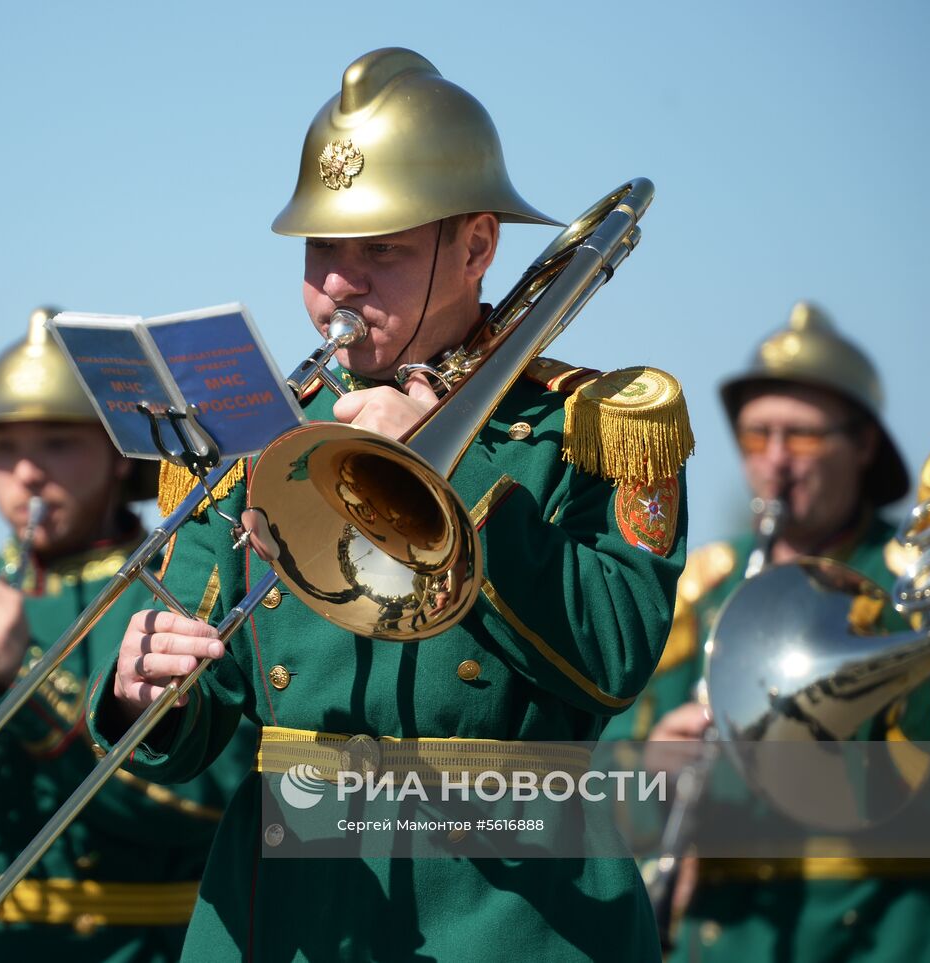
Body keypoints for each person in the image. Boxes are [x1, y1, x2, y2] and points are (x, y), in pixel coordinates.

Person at [85, 48, 692, 960]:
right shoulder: (259, 427)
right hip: (289, 909)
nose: (337, 283)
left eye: (382, 250)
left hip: (514, 915)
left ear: (478, 246)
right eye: (320, 248)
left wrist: (456, 474)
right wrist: (149, 691)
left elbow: (615, 658)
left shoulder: (595, 422)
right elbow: (207, 700)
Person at [0, 308, 254, 961]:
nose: (27, 473)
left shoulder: (172, 584)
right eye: (4, 449)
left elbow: (198, 807)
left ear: (120, 457)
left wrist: (29, 673)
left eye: (57, 443)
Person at [608, 302, 930, 960]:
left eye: (800, 436)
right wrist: (652, 763)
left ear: (862, 444)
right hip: (726, 937)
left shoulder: (923, 587)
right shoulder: (703, 588)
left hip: (881, 935)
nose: (775, 461)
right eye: (755, 435)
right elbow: (606, 782)